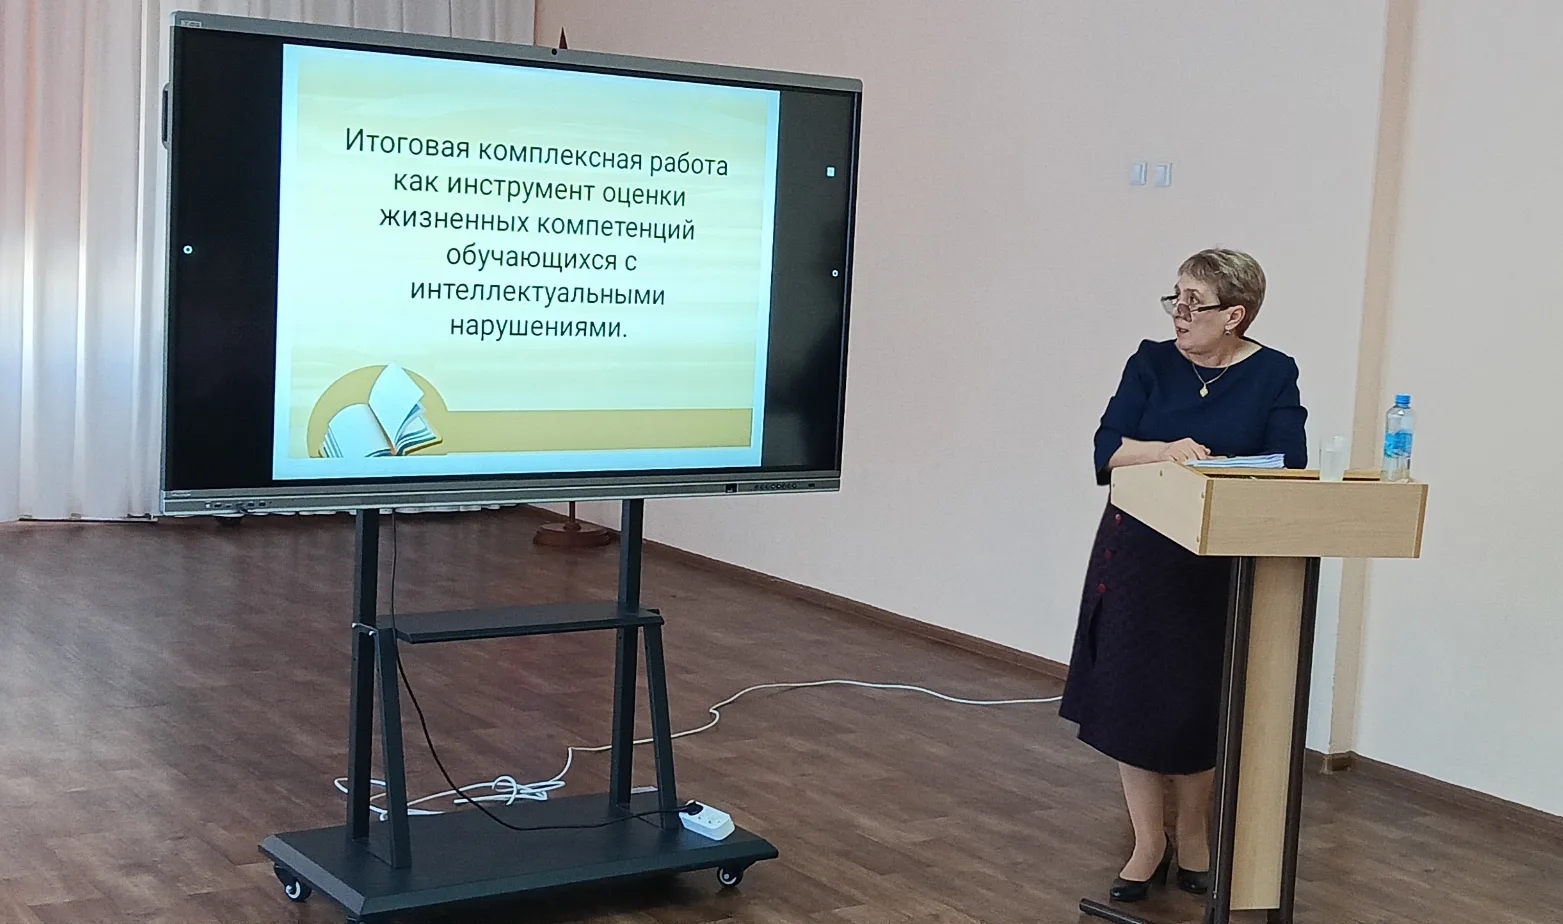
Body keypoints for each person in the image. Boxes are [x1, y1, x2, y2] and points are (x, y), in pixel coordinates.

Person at [1059, 248, 1307, 903]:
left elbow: (1288, 460)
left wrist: (1220, 468)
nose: (1179, 312)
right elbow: (1107, 448)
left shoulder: (1273, 372)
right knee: (1131, 700)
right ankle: (1148, 842)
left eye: (1194, 302)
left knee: (1197, 703)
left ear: (1235, 315)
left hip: (1216, 563)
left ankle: (1194, 835)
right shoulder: (1150, 361)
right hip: (1138, 553)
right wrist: (1164, 451)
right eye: (1175, 297)